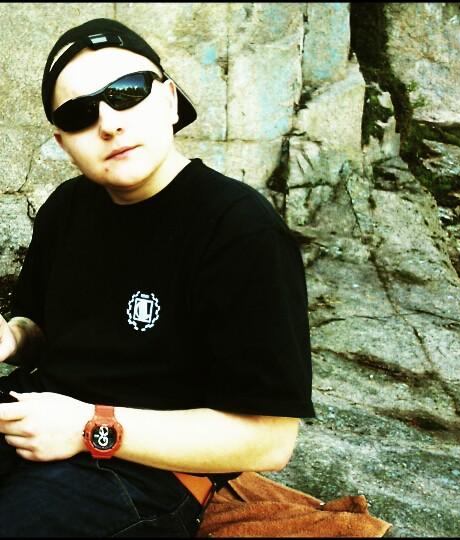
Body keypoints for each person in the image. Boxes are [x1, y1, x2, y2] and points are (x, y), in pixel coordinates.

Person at [0, 18, 314, 537]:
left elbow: (270, 441)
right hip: (39, 414)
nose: (108, 123)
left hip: (144, 470)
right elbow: (46, 333)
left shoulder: (239, 228)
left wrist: (89, 426)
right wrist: (13, 338)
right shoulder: (67, 206)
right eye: (79, 114)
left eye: (126, 92)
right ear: (62, 142)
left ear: (169, 100)